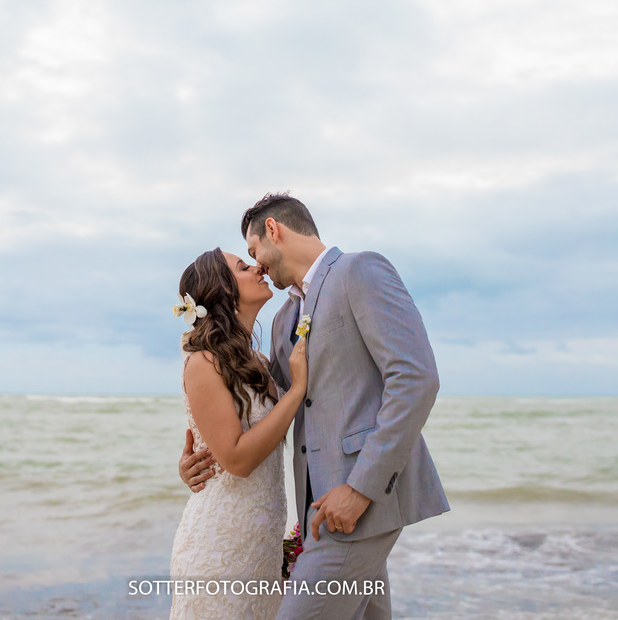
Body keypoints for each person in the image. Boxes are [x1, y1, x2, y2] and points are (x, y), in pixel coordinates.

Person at [179, 193, 449, 620]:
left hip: (358, 499)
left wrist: (361, 488)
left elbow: (416, 378)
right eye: (246, 263)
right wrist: (204, 457)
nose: (259, 266)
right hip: (318, 512)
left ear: (274, 230)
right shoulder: (285, 320)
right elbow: (271, 410)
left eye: (254, 253)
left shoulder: (359, 271)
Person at [168, 247, 309, 620]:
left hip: (260, 546)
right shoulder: (203, 362)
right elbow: (236, 460)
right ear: (224, 291)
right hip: (219, 547)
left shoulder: (260, 362)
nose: (258, 267)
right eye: (244, 267)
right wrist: (295, 391)